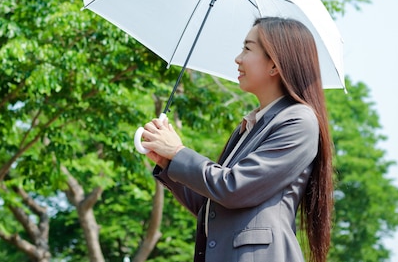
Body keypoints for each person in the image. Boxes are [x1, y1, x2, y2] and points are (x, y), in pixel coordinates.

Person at [141, 16, 333, 262]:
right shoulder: (248, 126)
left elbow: (233, 187)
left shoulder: (298, 121)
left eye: (247, 48)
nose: (238, 58)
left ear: (274, 65)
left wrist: (178, 152)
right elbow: (211, 204)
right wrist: (168, 162)